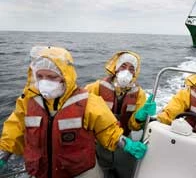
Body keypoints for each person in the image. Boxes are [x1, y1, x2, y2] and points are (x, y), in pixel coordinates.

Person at [0, 46, 147, 178]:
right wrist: (3, 155)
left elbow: (107, 127)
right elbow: (15, 128)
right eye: (40, 76)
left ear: (65, 77)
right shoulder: (27, 101)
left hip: (79, 169)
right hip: (41, 170)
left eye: (52, 77)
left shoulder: (87, 101)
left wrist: (126, 142)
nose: (45, 82)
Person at [85, 50, 155, 178]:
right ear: (116, 68)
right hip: (97, 144)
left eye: (131, 68)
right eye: (123, 66)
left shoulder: (139, 94)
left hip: (125, 143)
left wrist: (140, 117)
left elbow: (134, 126)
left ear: (135, 73)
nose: (126, 71)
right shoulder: (95, 87)